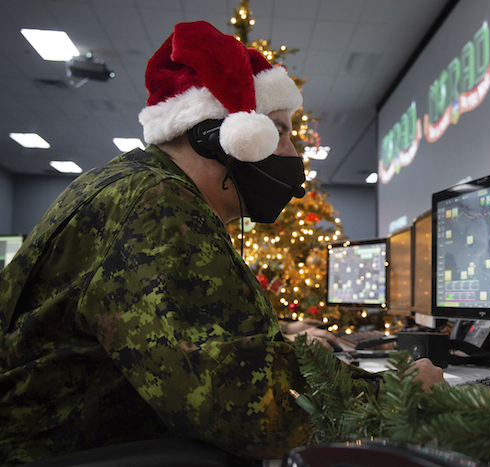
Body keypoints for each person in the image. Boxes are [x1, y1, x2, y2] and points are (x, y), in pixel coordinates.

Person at [0, 21, 446, 465]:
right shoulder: (157, 206)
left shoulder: (135, 187)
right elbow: (246, 404)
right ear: (218, 137)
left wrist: (291, 344)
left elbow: (204, 348)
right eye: (281, 131)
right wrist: (401, 391)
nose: (293, 155)